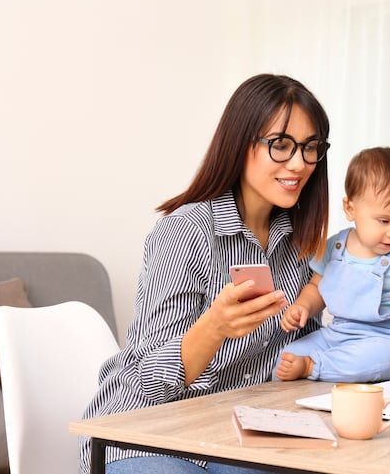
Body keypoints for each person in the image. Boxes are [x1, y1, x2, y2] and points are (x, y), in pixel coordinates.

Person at [79, 73, 333, 474]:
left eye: (310, 147)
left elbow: (305, 354)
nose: (299, 163)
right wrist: (213, 327)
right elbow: (146, 379)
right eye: (281, 145)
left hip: (238, 435)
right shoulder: (185, 231)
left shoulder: (301, 244)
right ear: (239, 143)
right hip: (145, 434)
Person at [275, 146, 390, 383]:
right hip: (337, 334)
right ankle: (312, 366)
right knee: (286, 356)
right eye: (384, 220)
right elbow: (316, 287)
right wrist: (302, 307)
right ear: (350, 208)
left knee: (387, 357)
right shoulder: (335, 246)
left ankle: (314, 366)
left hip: (385, 339)